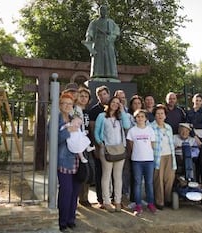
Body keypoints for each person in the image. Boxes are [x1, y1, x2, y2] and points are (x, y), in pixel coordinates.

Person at [94, 97, 130, 212]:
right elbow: (96, 131)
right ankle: (106, 201)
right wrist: (101, 144)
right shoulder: (102, 116)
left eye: (117, 103)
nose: (115, 104)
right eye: (113, 102)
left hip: (119, 149)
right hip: (106, 150)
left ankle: (117, 201)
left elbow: (127, 126)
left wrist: (123, 111)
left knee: (118, 177)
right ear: (109, 103)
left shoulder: (120, 117)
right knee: (106, 176)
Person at [55, 93, 81, 231]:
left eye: (70, 104)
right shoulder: (55, 119)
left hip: (76, 159)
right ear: (60, 105)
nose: (67, 106)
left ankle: (71, 218)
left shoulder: (74, 118)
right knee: (66, 190)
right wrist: (68, 131)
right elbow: (52, 139)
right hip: (63, 160)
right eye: (64, 103)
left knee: (75, 191)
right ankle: (62, 220)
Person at [127, 109, 157, 215]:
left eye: (142, 116)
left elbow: (153, 145)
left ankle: (150, 203)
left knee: (149, 183)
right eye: (138, 116)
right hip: (136, 161)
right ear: (135, 118)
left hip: (149, 160)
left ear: (146, 118)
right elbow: (131, 145)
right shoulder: (132, 131)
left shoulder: (150, 130)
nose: (140, 118)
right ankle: (138, 205)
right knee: (137, 183)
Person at [88, 85, 111, 209]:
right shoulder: (94, 110)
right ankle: (100, 199)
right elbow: (92, 129)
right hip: (100, 146)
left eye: (104, 94)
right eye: (100, 95)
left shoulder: (114, 108)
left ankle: (111, 198)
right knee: (99, 173)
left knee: (111, 174)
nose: (103, 97)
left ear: (108, 94)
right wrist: (96, 146)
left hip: (113, 147)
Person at [83, 5, 120, 79]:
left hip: (108, 43)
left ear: (107, 12)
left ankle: (111, 74)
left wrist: (112, 36)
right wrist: (88, 39)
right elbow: (89, 32)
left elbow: (117, 31)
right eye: (101, 10)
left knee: (109, 59)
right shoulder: (94, 22)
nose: (103, 12)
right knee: (98, 60)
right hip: (98, 43)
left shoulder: (111, 22)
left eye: (104, 10)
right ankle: (97, 74)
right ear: (99, 12)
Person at [151, 104, 177, 210]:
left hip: (169, 155)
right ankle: (159, 201)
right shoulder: (150, 127)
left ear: (165, 115)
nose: (160, 115)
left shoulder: (168, 127)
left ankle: (168, 199)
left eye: (162, 113)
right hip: (157, 156)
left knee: (169, 178)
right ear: (154, 115)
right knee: (158, 179)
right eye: (158, 113)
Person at [77, 87, 95, 207]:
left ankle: (84, 197)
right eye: (81, 96)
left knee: (89, 170)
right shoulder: (74, 111)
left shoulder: (88, 112)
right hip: (78, 145)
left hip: (87, 143)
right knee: (81, 171)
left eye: (86, 96)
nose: (84, 98)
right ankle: (79, 197)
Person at [186, 94, 202, 186]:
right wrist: (194, 135)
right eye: (196, 100)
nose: (198, 102)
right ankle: (194, 180)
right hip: (191, 137)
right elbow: (187, 125)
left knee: (201, 160)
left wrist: (192, 125)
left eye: (199, 100)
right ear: (193, 101)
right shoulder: (189, 112)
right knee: (193, 159)